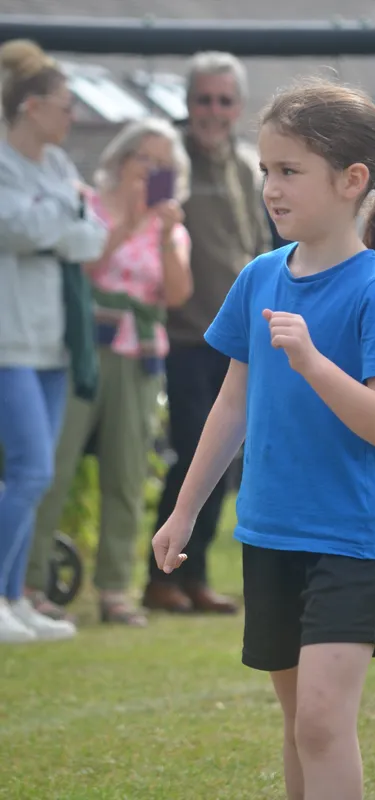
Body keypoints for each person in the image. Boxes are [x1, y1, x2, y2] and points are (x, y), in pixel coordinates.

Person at [153, 78, 375, 800]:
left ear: (351, 180)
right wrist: (185, 511)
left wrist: (312, 363)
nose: (271, 187)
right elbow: (231, 406)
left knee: (324, 724)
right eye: (266, 170)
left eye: (289, 171)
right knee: (300, 723)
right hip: (269, 533)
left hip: (348, 540)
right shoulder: (259, 277)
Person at [25, 118, 193, 626]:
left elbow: (179, 295)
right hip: (83, 350)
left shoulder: (172, 226)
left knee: (127, 472)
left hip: (139, 355)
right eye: (146, 157)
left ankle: (115, 588)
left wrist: (163, 234)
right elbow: (88, 266)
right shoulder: (89, 203)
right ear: (121, 160)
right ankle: (29, 581)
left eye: (165, 164)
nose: (153, 170)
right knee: (52, 464)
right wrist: (127, 223)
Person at [143, 51, 271, 615]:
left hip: (241, 334)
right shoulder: (167, 160)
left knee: (227, 456)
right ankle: (159, 577)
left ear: (238, 107)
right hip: (187, 334)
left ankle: (194, 579)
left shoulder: (247, 164)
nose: (213, 111)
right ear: (187, 102)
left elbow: (258, 244)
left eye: (224, 101)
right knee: (194, 451)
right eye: (204, 99)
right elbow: (149, 234)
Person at [0, 39, 107, 643]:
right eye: (66, 105)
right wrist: (63, 217)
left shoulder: (60, 171)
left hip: (55, 343)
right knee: (32, 471)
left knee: (33, 476)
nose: (73, 116)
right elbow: (13, 226)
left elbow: (92, 239)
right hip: (9, 341)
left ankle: (14, 598)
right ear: (33, 105)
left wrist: (59, 217)